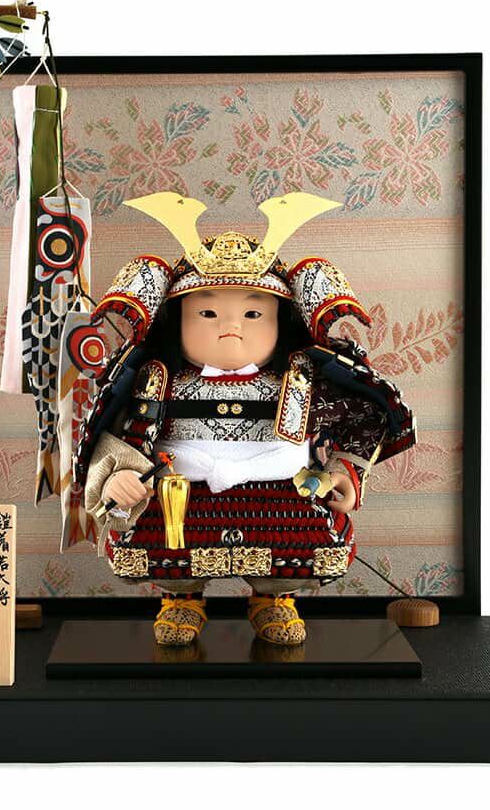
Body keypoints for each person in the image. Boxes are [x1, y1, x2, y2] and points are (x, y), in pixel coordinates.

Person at [71, 191, 415, 645]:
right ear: (177, 319)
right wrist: (119, 476)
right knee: (172, 555)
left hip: (281, 496)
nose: (230, 326)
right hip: (181, 496)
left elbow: (365, 417)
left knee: (287, 555)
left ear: (281, 319)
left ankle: (274, 599)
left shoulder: (302, 376)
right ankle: (182, 599)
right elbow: (124, 436)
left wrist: (344, 470)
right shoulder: (158, 379)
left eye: (253, 313)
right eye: (207, 312)